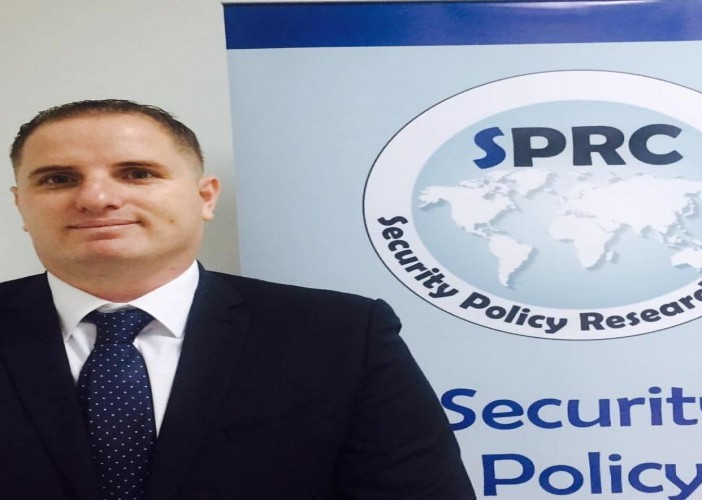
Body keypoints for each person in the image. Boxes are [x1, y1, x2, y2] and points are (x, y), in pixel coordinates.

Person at [0, 100, 475, 499]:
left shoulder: (342, 335)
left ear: (205, 197)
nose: (97, 198)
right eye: (58, 179)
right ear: (21, 204)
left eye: (137, 173)